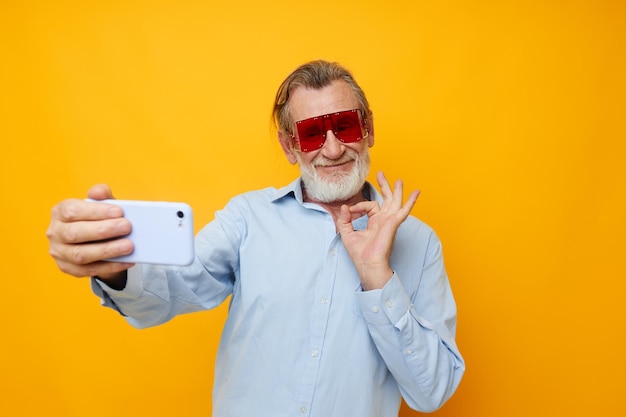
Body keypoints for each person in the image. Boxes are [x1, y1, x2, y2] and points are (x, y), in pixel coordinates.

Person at [47, 60, 465, 416]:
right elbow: (165, 294)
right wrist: (117, 269)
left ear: (368, 130)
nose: (334, 149)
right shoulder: (247, 218)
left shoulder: (420, 243)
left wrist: (378, 276)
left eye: (344, 126)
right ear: (290, 147)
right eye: (312, 133)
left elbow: (431, 392)